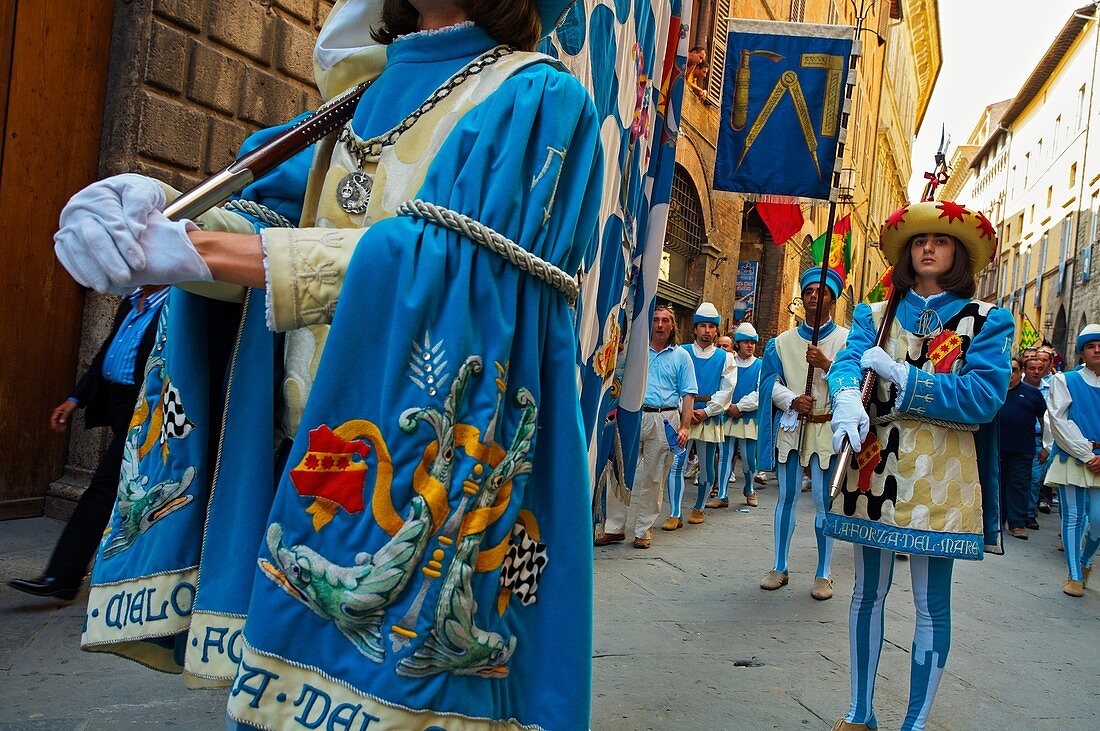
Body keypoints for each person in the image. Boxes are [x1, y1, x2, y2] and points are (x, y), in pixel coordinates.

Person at [52, 2, 603, 729]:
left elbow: (453, 274)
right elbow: (265, 229)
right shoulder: (355, 100)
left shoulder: (539, 98)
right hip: (300, 458)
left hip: (424, 476)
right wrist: (160, 218)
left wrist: (205, 251)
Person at [827, 200, 1012, 731]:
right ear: (908, 253)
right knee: (866, 593)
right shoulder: (874, 312)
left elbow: (982, 397)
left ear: (958, 254)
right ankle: (860, 712)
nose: (928, 247)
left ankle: (916, 722)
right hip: (874, 464)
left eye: (941, 240)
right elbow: (847, 363)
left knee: (930, 605)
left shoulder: (988, 322)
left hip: (942, 475)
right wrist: (843, 398)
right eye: (919, 241)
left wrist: (907, 378)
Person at [8, 285, 168, 601]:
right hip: (118, 404)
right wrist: (74, 398)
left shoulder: (173, 306)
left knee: (105, 489)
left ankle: (65, 575)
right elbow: (106, 354)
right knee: (115, 489)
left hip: (148, 412)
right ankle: (71, 576)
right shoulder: (133, 300)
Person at [757, 266, 848, 600]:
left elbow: (857, 383)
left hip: (826, 428)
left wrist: (826, 364)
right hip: (794, 424)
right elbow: (768, 383)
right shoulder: (781, 343)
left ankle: (823, 573)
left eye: (821, 290)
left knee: (824, 501)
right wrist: (792, 399)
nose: (813, 295)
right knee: (787, 497)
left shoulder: (846, 340)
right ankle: (779, 566)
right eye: (809, 290)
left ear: (832, 299)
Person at [597, 305, 694, 549]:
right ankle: (614, 528)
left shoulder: (681, 356)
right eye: (656, 320)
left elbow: (689, 394)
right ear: (650, 323)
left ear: (673, 326)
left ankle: (643, 529)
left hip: (664, 418)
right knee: (619, 470)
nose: (660, 325)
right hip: (632, 414)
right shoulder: (636, 351)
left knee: (653, 476)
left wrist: (684, 427)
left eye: (666, 321)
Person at [1043, 324, 1100, 597]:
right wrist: (1087, 453)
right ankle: (1074, 574)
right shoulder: (1065, 380)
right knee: (1074, 515)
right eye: (1090, 346)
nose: (1097, 349)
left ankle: (1086, 560)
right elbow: (1059, 421)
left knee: (1098, 519)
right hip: (1074, 457)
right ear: (1081, 353)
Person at [665, 302, 734, 528]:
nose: (706, 331)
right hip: (683, 414)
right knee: (676, 463)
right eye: (702, 326)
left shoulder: (725, 358)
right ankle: (675, 513)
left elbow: (727, 389)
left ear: (716, 330)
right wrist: (683, 408)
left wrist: (706, 411)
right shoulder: (680, 352)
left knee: (706, 465)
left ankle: (699, 507)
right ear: (695, 329)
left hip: (708, 416)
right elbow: (672, 384)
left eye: (711, 327)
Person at [711, 323, 761, 508]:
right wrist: (727, 406)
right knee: (725, 454)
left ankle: (749, 489)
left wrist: (740, 406)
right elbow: (722, 385)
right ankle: (722, 494)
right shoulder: (728, 363)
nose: (750, 346)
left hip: (748, 417)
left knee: (749, 458)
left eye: (752, 343)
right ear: (738, 344)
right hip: (727, 415)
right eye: (746, 342)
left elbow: (760, 393)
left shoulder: (759, 365)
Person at [996, 356, 1045, 540]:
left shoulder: (1032, 393)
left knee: (1019, 486)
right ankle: (997, 520)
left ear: (1021, 372)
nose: (1010, 374)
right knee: (997, 484)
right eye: (1007, 369)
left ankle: (1017, 524)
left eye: (1014, 370)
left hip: (1022, 448)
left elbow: (1044, 420)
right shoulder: (994, 390)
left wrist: (1046, 446)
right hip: (996, 448)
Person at [1022, 355, 1052, 522]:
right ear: (1024, 370)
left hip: (1039, 439)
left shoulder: (1052, 388)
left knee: (1035, 479)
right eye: (1032, 368)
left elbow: (1052, 419)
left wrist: (1047, 446)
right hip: (1019, 438)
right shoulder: (1015, 388)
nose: (1036, 372)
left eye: (1040, 369)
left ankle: (1029, 513)